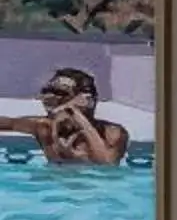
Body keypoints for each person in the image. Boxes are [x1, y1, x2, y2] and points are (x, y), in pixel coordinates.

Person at [0, 67, 131, 166]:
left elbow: (107, 166)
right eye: (46, 91)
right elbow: (8, 123)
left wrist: (76, 114)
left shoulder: (112, 133)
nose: (48, 97)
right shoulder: (45, 128)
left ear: (88, 100)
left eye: (59, 92)